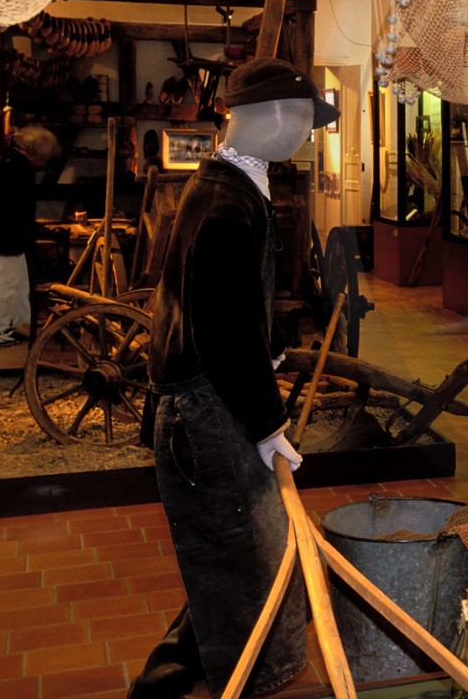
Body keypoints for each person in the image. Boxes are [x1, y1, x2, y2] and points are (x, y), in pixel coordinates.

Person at [128, 58, 338, 699]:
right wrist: (267, 420)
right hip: (206, 403)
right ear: (269, 115)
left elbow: (230, 296)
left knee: (234, 545)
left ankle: (174, 670)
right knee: (242, 548)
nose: (307, 132)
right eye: (302, 118)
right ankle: (222, 679)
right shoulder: (224, 202)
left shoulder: (234, 184)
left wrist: (269, 345)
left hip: (210, 396)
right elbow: (218, 328)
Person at [0, 125, 58, 347]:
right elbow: (1, 200)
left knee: (20, 285)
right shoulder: (15, 166)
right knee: (5, 284)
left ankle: (22, 324)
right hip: (5, 235)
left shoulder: (14, 163)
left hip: (8, 233)